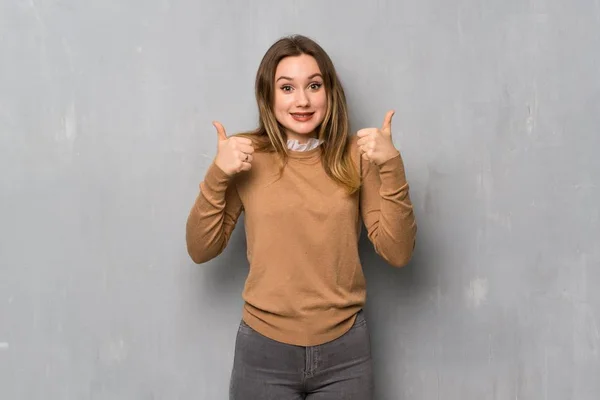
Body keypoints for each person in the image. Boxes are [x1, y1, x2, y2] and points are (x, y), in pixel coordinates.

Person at [185, 34, 417, 400]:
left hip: (346, 354)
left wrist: (391, 166)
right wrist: (218, 174)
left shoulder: (357, 155)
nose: (303, 100)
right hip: (263, 353)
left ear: (329, 91)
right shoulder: (246, 156)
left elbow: (399, 252)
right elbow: (200, 249)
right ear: (269, 95)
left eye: (313, 85)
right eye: (287, 87)